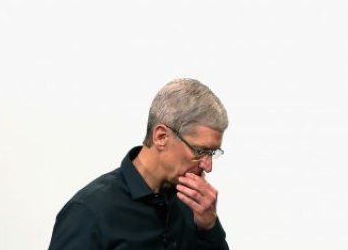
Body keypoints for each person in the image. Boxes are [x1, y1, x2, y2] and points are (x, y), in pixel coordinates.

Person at [48, 78, 230, 250]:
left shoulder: (193, 205)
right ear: (161, 137)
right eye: (200, 151)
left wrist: (209, 227)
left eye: (212, 153)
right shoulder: (89, 212)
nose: (208, 166)